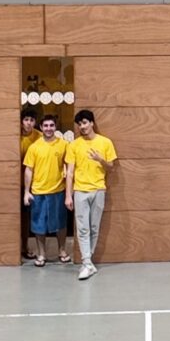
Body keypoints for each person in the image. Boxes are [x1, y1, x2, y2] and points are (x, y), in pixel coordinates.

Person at [61, 109, 116, 280]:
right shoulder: (74, 145)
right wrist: (68, 195)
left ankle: (88, 261)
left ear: (92, 123)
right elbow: (70, 172)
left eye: (85, 123)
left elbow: (111, 166)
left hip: (99, 189)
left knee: (94, 227)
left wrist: (100, 159)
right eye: (79, 124)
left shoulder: (105, 142)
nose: (82, 127)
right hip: (80, 191)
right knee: (82, 228)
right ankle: (86, 263)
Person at [21, 113, 73, 267]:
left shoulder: (64, 145)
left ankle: (62, 251)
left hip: (58, 191)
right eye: (46, 126)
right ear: (41, 127)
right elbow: (28, 170)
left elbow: (70, 168)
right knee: (39, 226)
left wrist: (69, 192)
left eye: (51, 125)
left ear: (55, 127)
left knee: (61, 224)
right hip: (38, 192)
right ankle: (41, 254)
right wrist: (26, 192)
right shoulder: (34, 147)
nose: (49, 128)